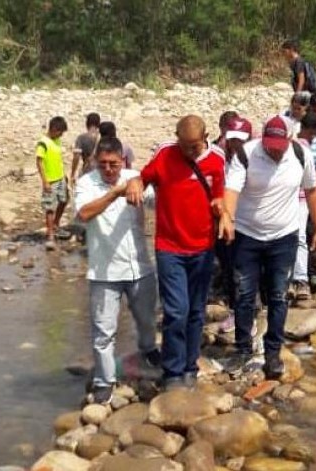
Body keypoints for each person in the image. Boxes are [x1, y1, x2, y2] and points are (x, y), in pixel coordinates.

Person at [125, 115, 233, 390]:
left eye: (193, 146)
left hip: (202, 246)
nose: (188, 151)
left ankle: (189, 366)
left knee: (196, 310)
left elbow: (219, 194)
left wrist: (222, 213)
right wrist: (136, 183)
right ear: (176, 138)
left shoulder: (217, 158)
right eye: (183, 145)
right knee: (175, 311)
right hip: (169, 247)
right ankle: (172, 371)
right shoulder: (165, 154)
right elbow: (143, 178)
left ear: (205, 137)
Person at [224, 116, 316, 379]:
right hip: (247, 235)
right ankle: (243, 348)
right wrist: (227, 218)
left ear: (289, 139)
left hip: (284, 237)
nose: (274, 149)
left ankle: (272, 352)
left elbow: (312, 192)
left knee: (279, 296)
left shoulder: (301, 154)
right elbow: (231, 190)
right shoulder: (247, 154)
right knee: (244, 294)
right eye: (270, 144)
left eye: (279, 145)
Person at [74, 137, 159, 405]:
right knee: (103, 331)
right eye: (103, 165)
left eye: (114, 164)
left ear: (123, 160)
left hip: (139, 266)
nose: (109, 169)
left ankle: (148, 351)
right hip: (104, 272)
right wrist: (114, 193)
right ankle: (104, 381)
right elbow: (84, 214)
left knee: (147, 319)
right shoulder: (87, 183)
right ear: (95, 163)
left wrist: (137, 184)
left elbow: (160, 199)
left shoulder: (135, 177)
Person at [216, 116, 253, 310]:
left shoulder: (256, 160)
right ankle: (235, 306)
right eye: (233, 139)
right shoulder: (219, 159)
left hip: (249, 222)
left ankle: (251, 307)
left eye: (242, 139)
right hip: (225, 219)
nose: (237, 143)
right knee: (229, 265)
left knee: (248, 267)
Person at [296, 113, 316, 288]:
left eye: (314, 134)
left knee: (308, 234)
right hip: (293, 198)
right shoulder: (291, 143)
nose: (312, 138)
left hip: (310, 196)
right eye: (310, 133)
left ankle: (306, 274)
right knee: (297, 236)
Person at [36, 116, 70, 250]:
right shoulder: (43, 143)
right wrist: (45, 181)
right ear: (54, 129)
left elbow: (58, 159)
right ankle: (50, 234)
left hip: (60, 177)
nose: (61, 134)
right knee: (50, 207)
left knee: (64, 200)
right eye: (60, 132)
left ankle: (56, 225)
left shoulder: (57, 140)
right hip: (50, 180)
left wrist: (64, 176)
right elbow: (39, 162)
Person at [71, 112, 101, 180]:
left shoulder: (81, 138)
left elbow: (76, 156)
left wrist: (72, 174)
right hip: (101, 173)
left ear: (87, 123)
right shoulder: (103, 138)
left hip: (87, 171)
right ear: (99, 124)